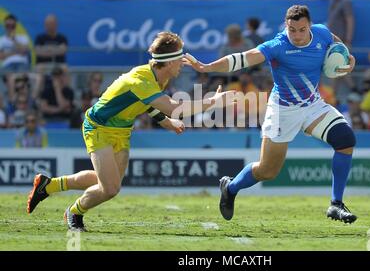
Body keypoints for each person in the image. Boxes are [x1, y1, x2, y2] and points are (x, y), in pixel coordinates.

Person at [27, 31, 234, 231]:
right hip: (99, 126)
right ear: (169, 62)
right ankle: (74, 211)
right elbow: (173, 107)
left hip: (122, 129)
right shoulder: (141, 80)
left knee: (109, 181)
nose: (183, 62)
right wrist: (212, 102)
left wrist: (164, 121)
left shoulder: (159, 76)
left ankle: (49, 185)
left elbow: (147, 102)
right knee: (110, 189)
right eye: (180, 58)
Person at [185, 5, 358, 223]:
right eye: (292, 29)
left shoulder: (322, 32)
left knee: (345, 140)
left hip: (313, 105)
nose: (296, 35)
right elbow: (243, 58)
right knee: (267, 171)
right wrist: (207, 67)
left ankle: (336, 204)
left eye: (302, 29)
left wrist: (349, 59)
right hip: (282, 110)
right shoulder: (277, 45)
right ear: (286, 25)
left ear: (310, 26)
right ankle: (231, 187)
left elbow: (338, 44)